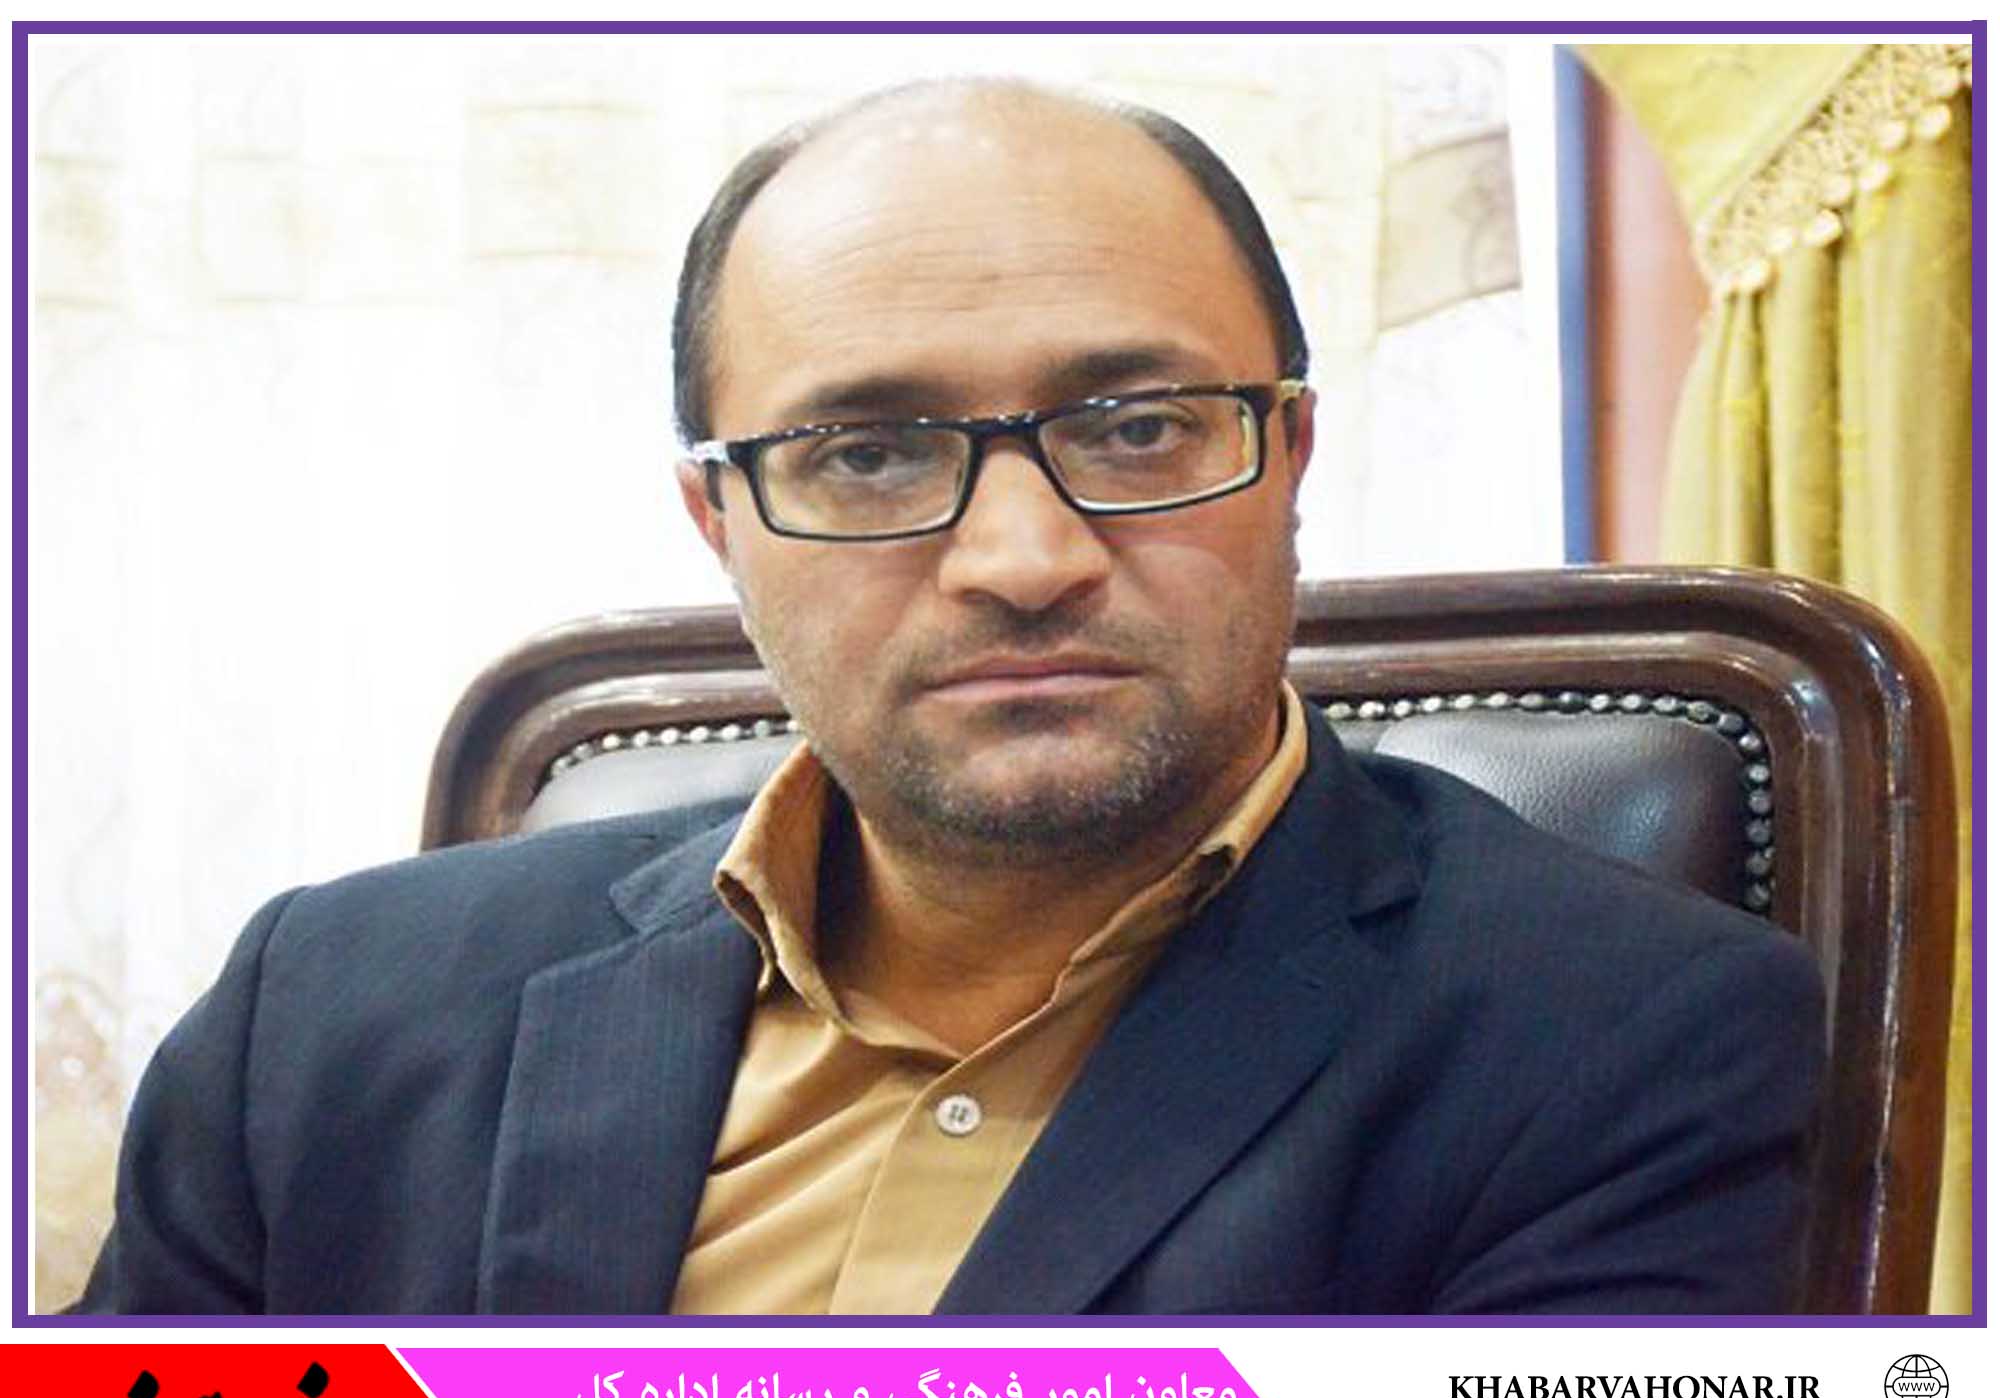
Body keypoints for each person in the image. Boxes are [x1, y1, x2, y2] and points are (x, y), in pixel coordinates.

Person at [73, 79, 1823, 1318]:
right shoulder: (326, 1013)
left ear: (1287, 456)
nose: (1024, 557)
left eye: (1138, 428)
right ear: (720, 524)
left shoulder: (1627, 1038)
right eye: (868, 453)